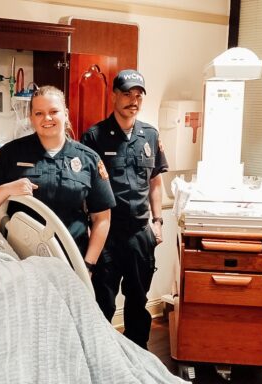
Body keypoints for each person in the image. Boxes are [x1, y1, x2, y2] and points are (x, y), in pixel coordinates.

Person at [0, 85, 116, 271]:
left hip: (71, 260)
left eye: (53, 111)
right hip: (19, 261)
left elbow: (102, 219)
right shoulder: (11, 153)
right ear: (31, 118)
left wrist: (88, 265)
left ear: (65, 113)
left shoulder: (88, 159)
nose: (47, 118)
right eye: (39, 113)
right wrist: (8, 189)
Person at [80, 69, 169, 349]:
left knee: (138, 301)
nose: (133, 100)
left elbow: (155, 182)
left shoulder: (150, 135)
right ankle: (102, 357)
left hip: (140, 234)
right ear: (114, 96)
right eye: (127, 94)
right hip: (107, 235)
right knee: (102, 302)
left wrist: (158, 221)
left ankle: (137, 358)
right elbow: (86, 190)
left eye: (138, 95)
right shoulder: (94, 137)